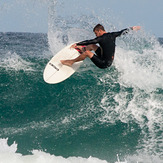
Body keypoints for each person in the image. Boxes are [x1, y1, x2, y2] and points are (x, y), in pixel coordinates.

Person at [61, 24, 141, 69]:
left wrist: (77, 44)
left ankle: (71, 62)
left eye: (96, 33)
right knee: (92, 46)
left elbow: (91, 40)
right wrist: (132, 28)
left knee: (88, 53)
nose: (96, 35)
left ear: (99, 31)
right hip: (106, 58)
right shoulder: (112, 35)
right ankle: (82, 50)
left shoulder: (101, 38)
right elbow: (122, 32)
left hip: (104, 63)